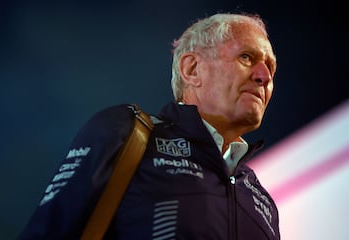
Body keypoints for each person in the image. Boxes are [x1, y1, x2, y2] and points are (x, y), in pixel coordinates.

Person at [18, 12, 280, 239]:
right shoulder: (127, 133)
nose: (264, 77)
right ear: (192, 69)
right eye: (246, 57)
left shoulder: (263, 201)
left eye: (270, 68)